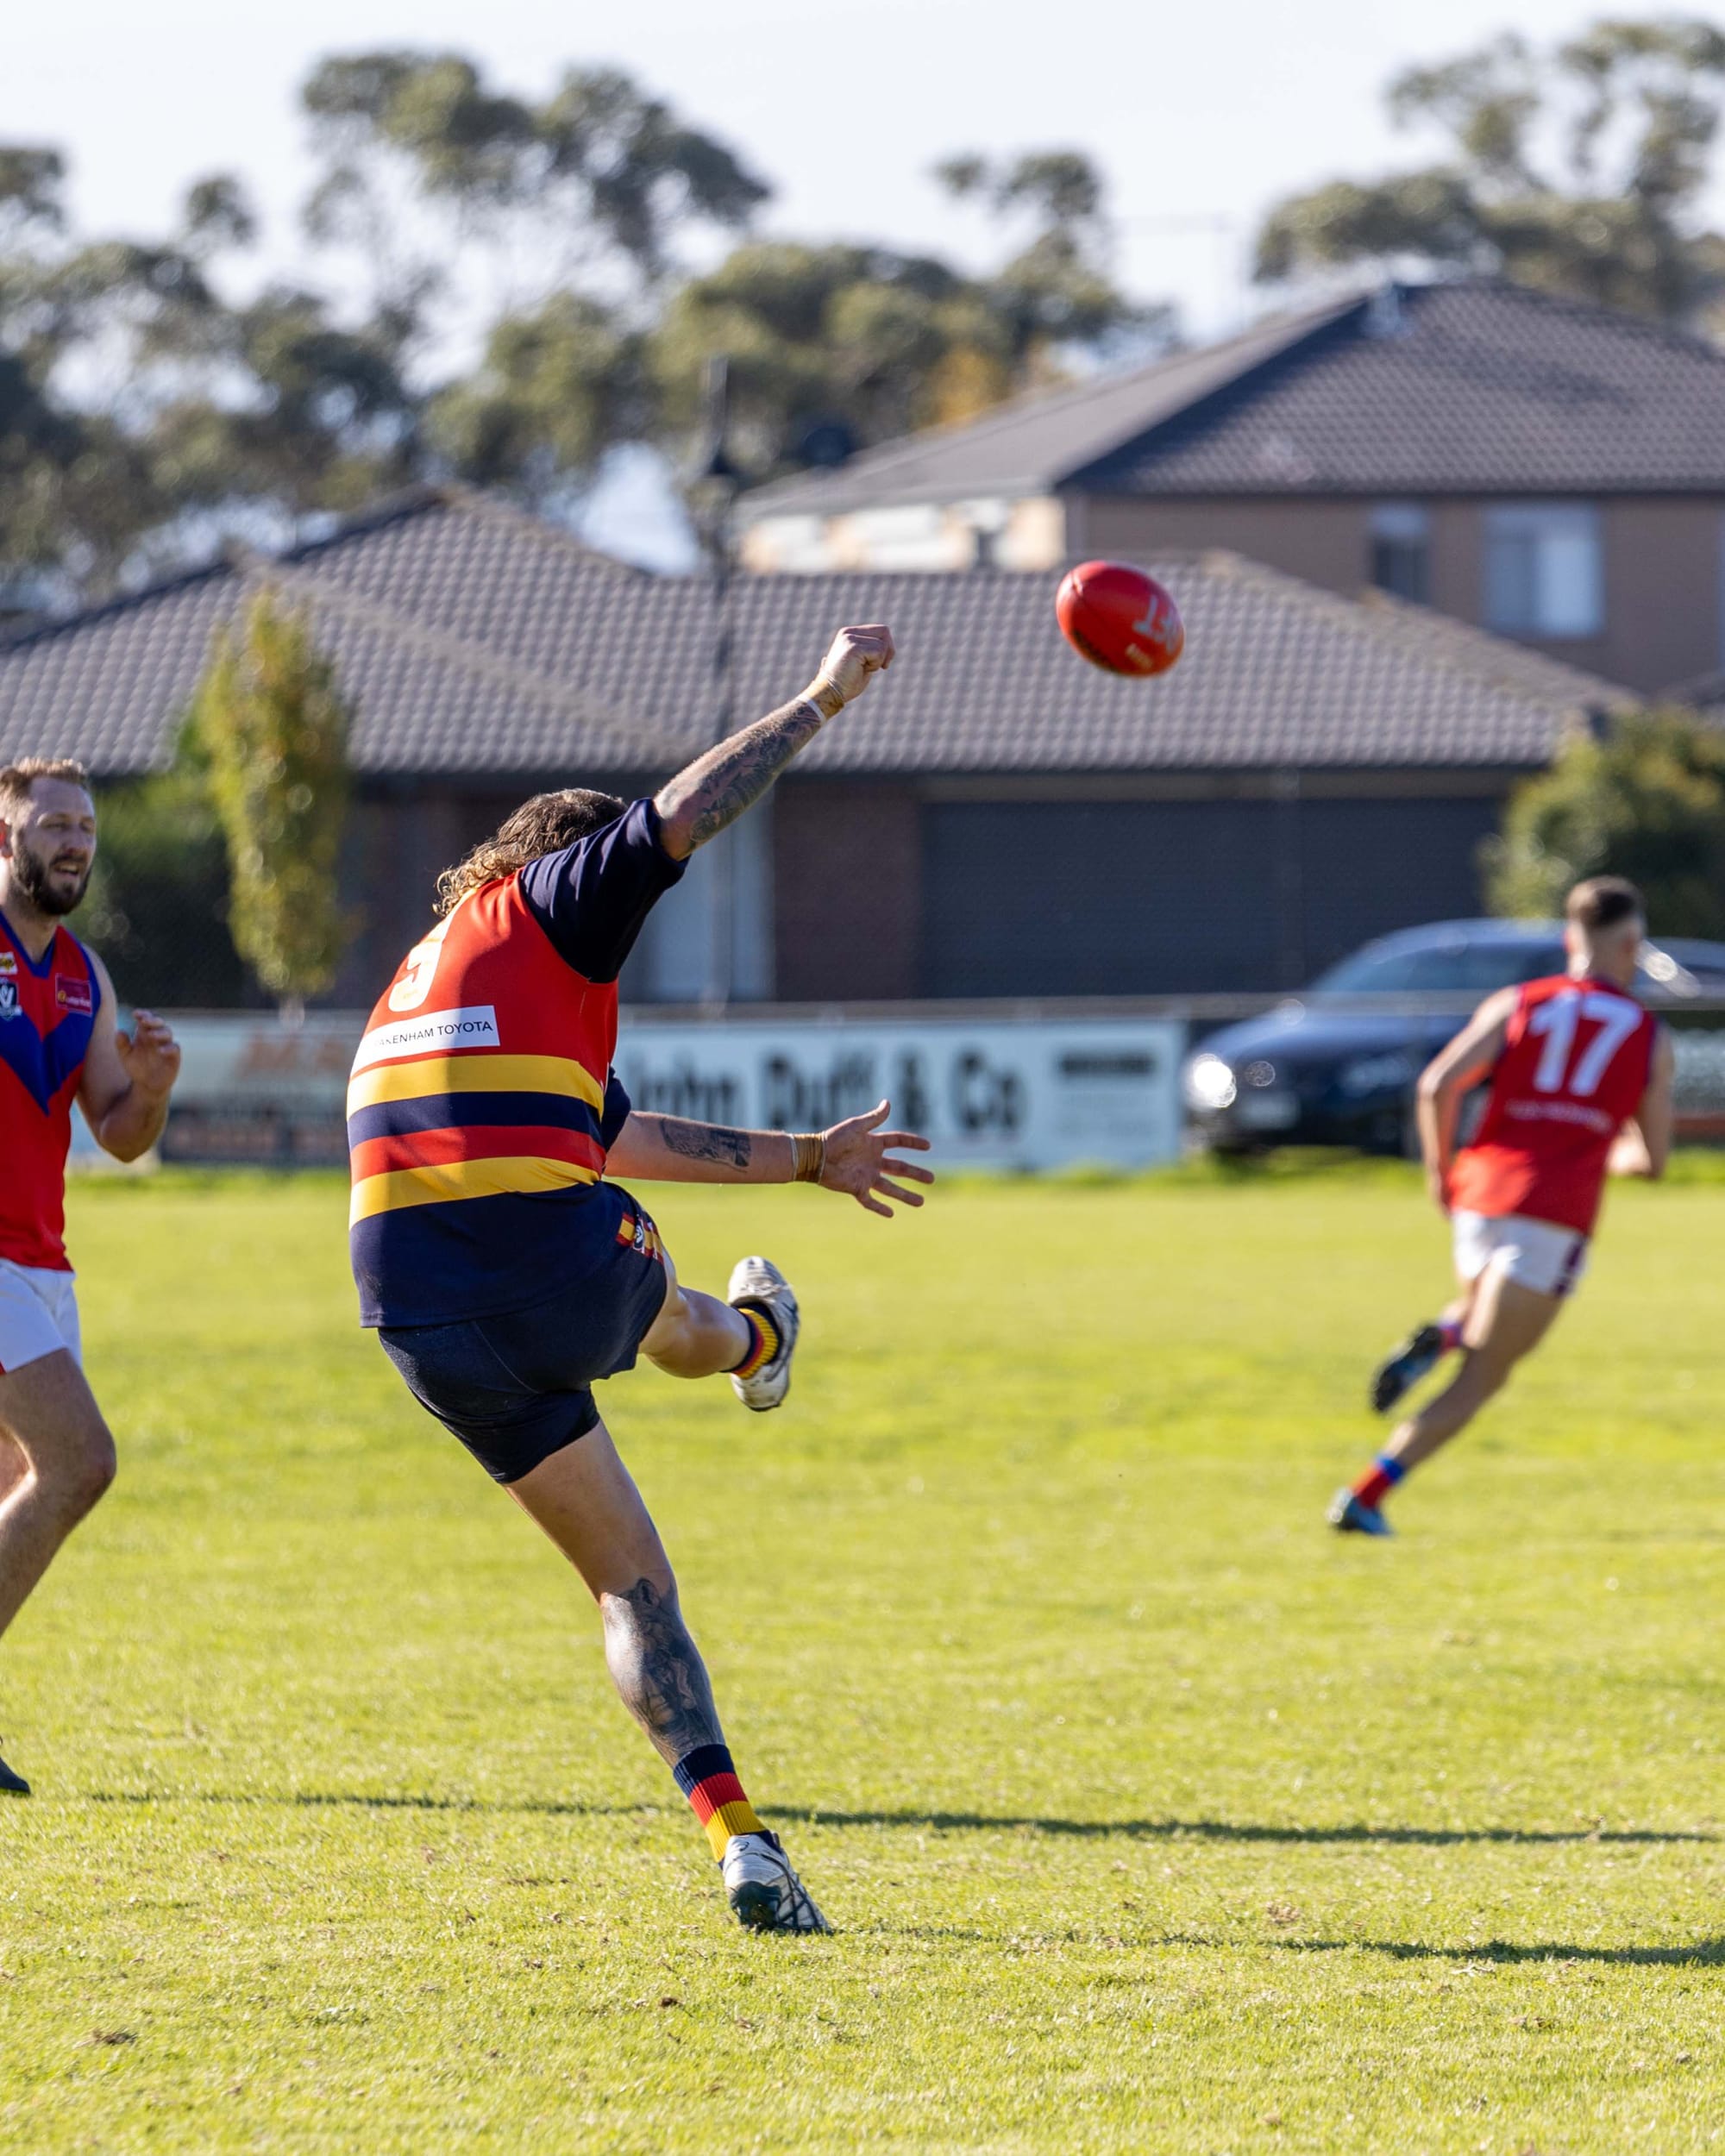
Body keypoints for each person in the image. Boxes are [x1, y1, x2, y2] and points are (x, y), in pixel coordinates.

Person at [351, 624, 932, 1933]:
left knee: (627, 1584)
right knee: (639, 1290)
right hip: (542, 1262)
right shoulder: (554, 898)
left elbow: (618, 1133)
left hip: (412, 1316)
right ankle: (756, 1346)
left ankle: (740, 1840)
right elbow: (680, 816)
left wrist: (805, 1161)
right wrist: (820, 700)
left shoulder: (424, 982)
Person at [1330, 876, 1673, 1537]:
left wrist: (1439, 1173)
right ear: (1632, 943)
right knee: (1482, 1377)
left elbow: (1436, 1086)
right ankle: (1365, 1497)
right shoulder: (1648, 1035)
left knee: (1483, 1314)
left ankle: (1448, 1331)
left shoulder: (1519, 1000)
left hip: (1481, 1194)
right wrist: (1601, 1146)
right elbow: (1652, 1161)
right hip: (1555, 1212)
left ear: (1571, 938)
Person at [0, 759, 181, 1793]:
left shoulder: (83, 975)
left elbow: (117, 1132)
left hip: (42, 1266)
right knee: (81, 1462)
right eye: (53, 822)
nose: (74, 840)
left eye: (87, 826)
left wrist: (150, 1091)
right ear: (5, 834)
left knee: (17, 1491)